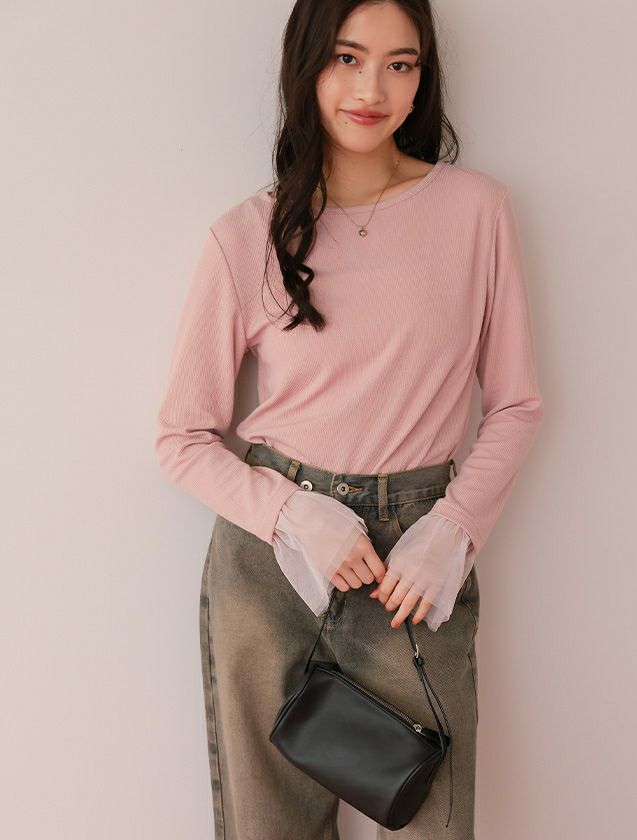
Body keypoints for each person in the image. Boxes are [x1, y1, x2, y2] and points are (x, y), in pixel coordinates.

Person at [154, 1, 544, 837]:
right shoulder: (246, 235)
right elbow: (181, 437)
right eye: (347, 58)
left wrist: (454, 529)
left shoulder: (475, 210)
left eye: (401, 64)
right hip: (272, 563)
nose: (373, 88)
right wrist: (294, 516)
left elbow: (515, 404)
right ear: (307, 66)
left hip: (413, 569)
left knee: (435, 822)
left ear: (422, 79)